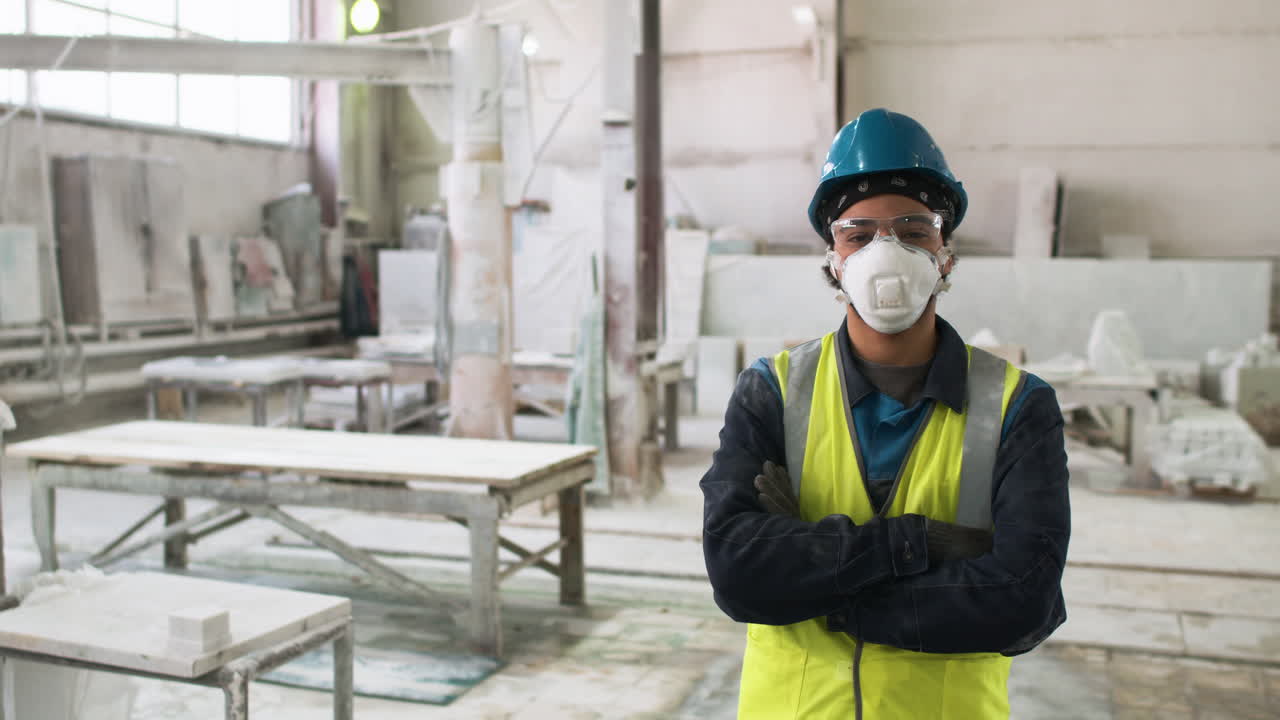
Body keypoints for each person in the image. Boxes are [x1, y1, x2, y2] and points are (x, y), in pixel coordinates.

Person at [700, 108, 1070, 719]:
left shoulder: (1017, 406)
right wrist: (914, 542)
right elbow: (737, 573)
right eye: (859, 233)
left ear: (945, 254)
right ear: (834, 259)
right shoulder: (771, 391)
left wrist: (829, 590)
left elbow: (1022, 600)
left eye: (913, 229)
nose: (886, 251)